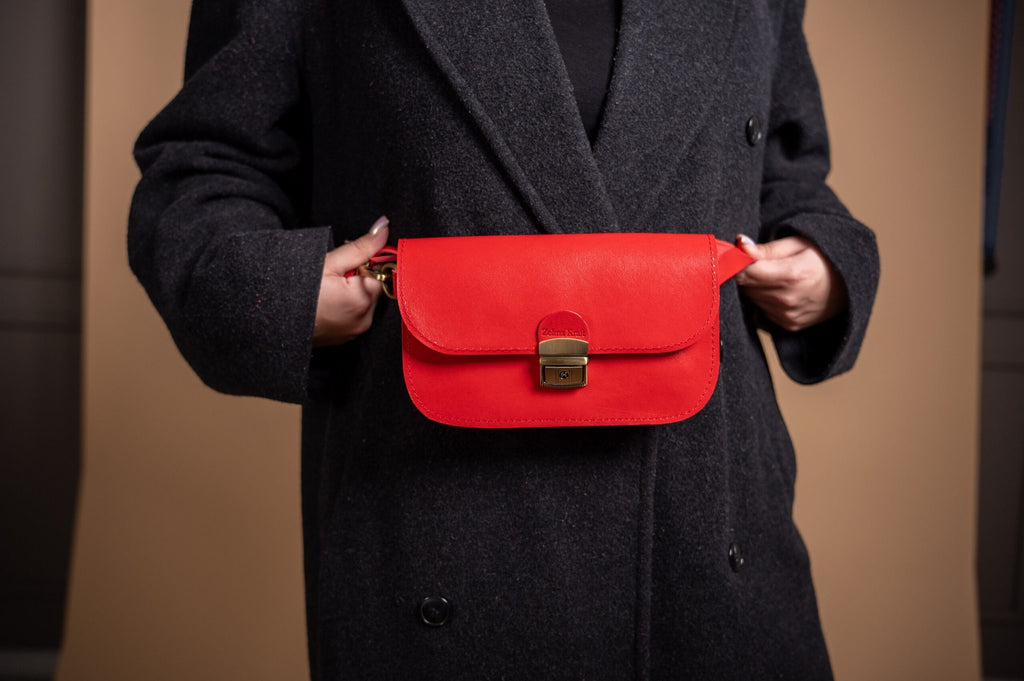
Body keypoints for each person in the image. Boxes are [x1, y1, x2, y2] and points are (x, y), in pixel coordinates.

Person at [128, 0, 879, 678]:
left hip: (712, 535)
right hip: (433, 530)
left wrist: (824, 259)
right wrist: (285, 292)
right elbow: (202, 172)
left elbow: (783, 173)